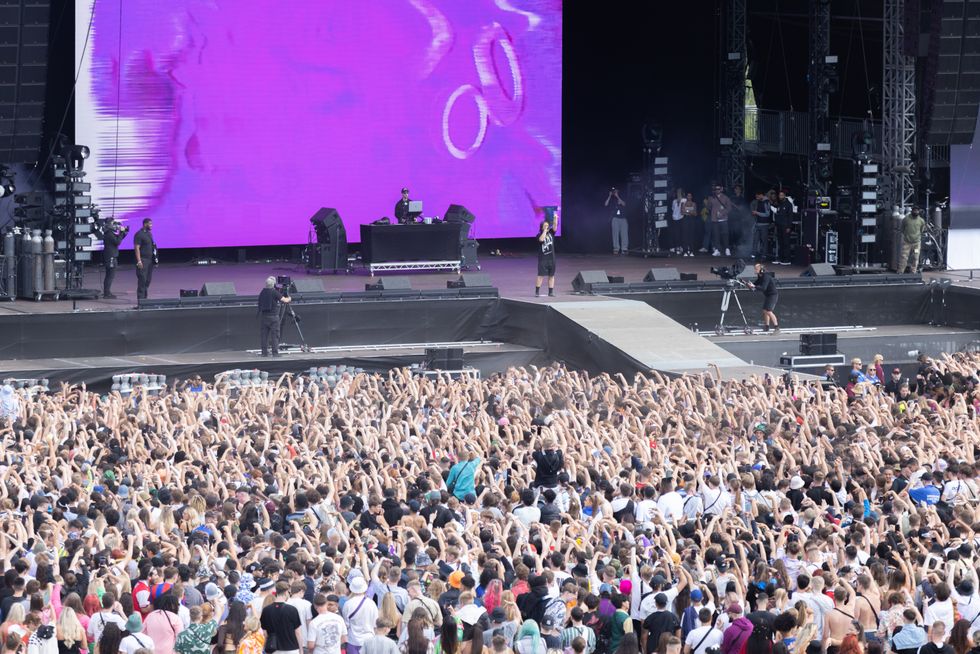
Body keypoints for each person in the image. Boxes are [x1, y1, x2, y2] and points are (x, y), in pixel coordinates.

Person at [260, 582, 302, 654]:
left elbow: (265, 633)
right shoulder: (292, 609)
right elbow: (297, 632)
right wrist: (301, 650)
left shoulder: (266, 610)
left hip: (273, 648)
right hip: (291, 648)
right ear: (286, 592)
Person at [257, 277, 292, 358]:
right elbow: (285, 300)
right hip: (273, 317)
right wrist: (290, 298)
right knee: (275, 335)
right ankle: (275, 353)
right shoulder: (274, 292)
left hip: (264, 317)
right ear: (273, 284)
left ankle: (264, 353)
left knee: (264, 336)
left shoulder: (262, 292)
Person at [97, 219, 129, 299]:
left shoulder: (109, 233)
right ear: (109, 225)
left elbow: (118, 239)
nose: (115, 226)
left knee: (109, 275)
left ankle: (107, 292)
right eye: (113, 224)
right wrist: (121, 232)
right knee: (110, 275)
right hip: (111, 257)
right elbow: (117, 242)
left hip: (110, 256)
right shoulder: (109, 234)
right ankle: (107, 293)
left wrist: (124, 233)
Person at [746, 262, 779, 333]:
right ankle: (767, 327)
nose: (755, 270)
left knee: (769, 311)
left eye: (756, 269)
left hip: (772, 295)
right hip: (768, 295)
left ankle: (777, 328)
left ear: (761, 270)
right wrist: (750, 285)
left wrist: (754, 286)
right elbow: (756, 284)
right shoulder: (760, 276)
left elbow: (763, 288)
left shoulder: (766, 277)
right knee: (765, 311)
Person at [133, 218, 157, 300]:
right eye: (150, 224)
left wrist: (155, 259)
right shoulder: (139, 234)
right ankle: (141, 300)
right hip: (143, 260)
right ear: (145, 224)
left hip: (150, 260)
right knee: (142, 280)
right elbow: (137, 248)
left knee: (148, 280)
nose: (151, 225)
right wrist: (139, 261)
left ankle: (145, 299)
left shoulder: (149, 234)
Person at [897, 207, 926, 273]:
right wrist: (906, 236)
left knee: (916, 257)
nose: (916, 212)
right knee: (904, 257)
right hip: (907, 243)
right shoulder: (906, 219)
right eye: (914, 210)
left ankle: (913, 271)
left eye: (917, 210)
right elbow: (902, 229)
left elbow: (922, 230)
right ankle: (900, 271)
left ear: (919, 211)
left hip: (916, 244)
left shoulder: (921, 221)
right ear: (912, 211)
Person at [707, 185, 732, 257]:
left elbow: (729, 208)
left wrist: (722, 213)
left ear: (721, 189)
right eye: (715, 189)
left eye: (718, 189)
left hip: (723, 219)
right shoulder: (712, 197)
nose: (717, 190)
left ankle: (727, 249)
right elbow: (709, 207)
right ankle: (717, 250)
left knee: (725, 234)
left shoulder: (725, 197)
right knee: (716, 235)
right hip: (714, 219)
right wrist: (709, 202)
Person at [535, 217, 557, 297]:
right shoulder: (538, 235)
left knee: (551, 275)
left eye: (547, 226)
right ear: (541, 227)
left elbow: (555, 226)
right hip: (543, 259)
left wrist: (555, 218)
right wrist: (544, 231)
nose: (547, 227)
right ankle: (537, 292)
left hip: (551, 258)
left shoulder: (551, 233)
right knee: (540, 275)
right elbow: (541, 240)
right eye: (545, 226)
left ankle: (550, 292)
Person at [772, 191, 794, 265]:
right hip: (779, 225)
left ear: (785, 196)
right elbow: (777, 213)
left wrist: (789, 227)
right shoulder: (779, 204)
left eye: (782, 195)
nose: (780, 196)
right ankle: (780, 258)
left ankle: (787, 260)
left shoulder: (788, 204)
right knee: (780, 243)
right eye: (779, 195)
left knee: (786, 243)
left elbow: (790, 216)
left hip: (785, 226)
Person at [750, 192, 773, 262]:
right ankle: (753, 255)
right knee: (755, 240)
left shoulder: (766, 202)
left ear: (761, 195)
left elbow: (767, 214)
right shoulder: (759, 202)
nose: (756, 198)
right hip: (758, 224)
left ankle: (764, 255)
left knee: (764, 241)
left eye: (757, 196)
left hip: (764, 225)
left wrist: (757, 213)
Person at [607, 188, 628, 255]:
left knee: (624, 234)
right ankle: (616, 249)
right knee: (615, 234)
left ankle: (624, 249)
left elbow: (624, 204)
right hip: (615, 219)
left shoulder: (622, 196)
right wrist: (609, 196)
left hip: (623, 218)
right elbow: (606, 204)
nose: (615, 192)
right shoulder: (612, 199)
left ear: (618, 191)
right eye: (613, 191)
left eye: (616, 191)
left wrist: (618, 196)